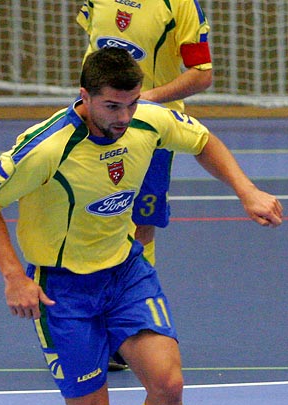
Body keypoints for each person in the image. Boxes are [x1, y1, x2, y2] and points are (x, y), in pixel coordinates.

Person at [0, 48, 282, 405]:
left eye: (131, 104)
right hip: (62, 290)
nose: (123, 118)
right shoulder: (46, 148)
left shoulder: (146, 120)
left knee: (169, 384)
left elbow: (202, 140)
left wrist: (246, 190)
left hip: (125, 272)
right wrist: (12, 276)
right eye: (112, 107)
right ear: (85, 97)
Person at [77, 0, 213, 371]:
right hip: (93, 129)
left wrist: (139, 103)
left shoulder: (179, 4)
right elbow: (96, 53)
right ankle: (86, 321)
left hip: (148, 133)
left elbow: (201, 73)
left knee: (139, 226)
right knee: (87, 222)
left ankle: (132, 326)